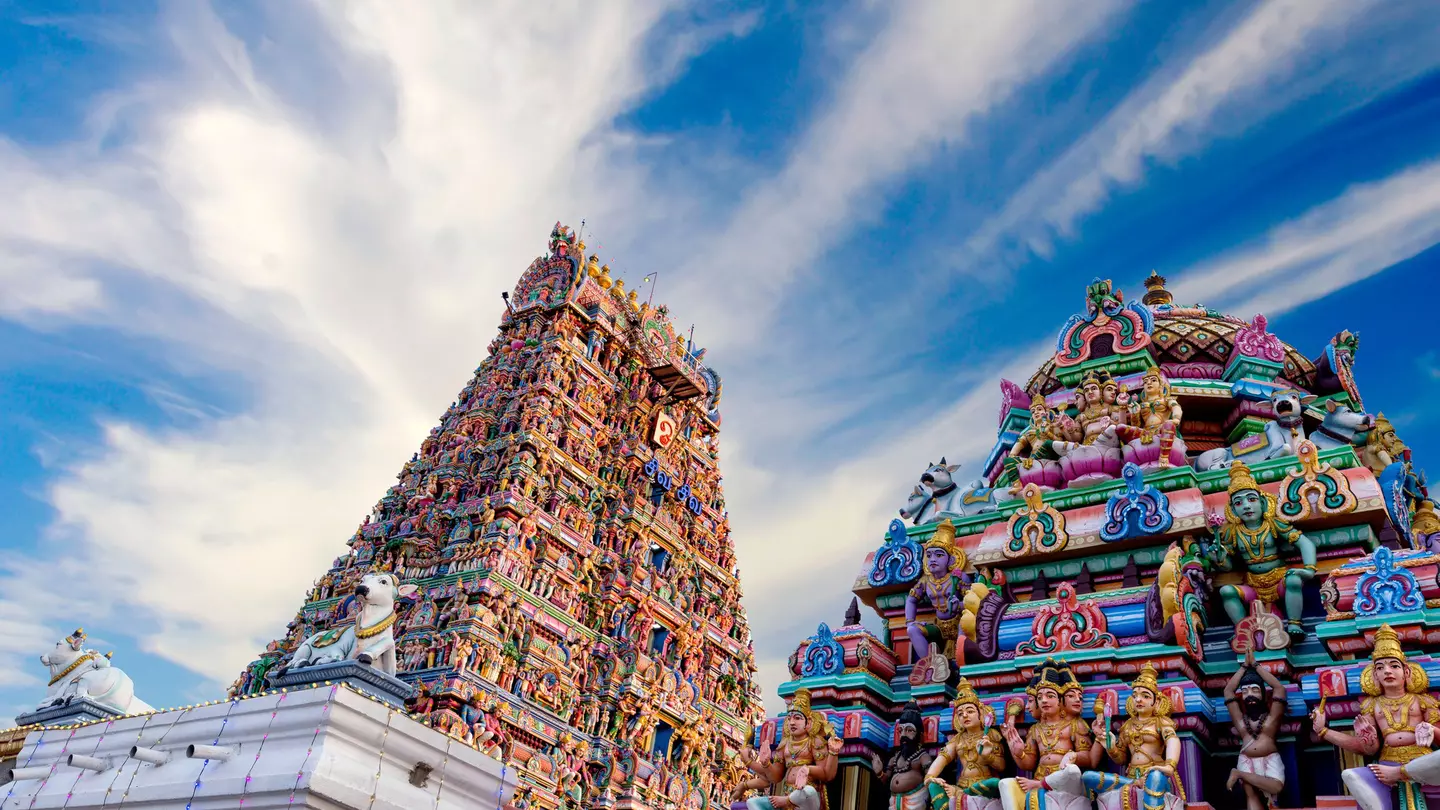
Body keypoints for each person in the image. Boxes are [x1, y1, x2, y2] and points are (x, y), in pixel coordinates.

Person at [1223, 649, 1287, 809]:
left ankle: (1238, 773)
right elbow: (1228, 691)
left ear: (1264, 694)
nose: (1249, 695)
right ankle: (1240, 773)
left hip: (1269, 757)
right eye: (1244, 692)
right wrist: (1244, 667)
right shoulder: (1241, 722)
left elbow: (1279, 688)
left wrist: (1256, 666)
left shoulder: (1271, 719)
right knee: (1250, 795)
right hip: (1247, 759)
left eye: (1255, 690)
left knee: (1276, 788)